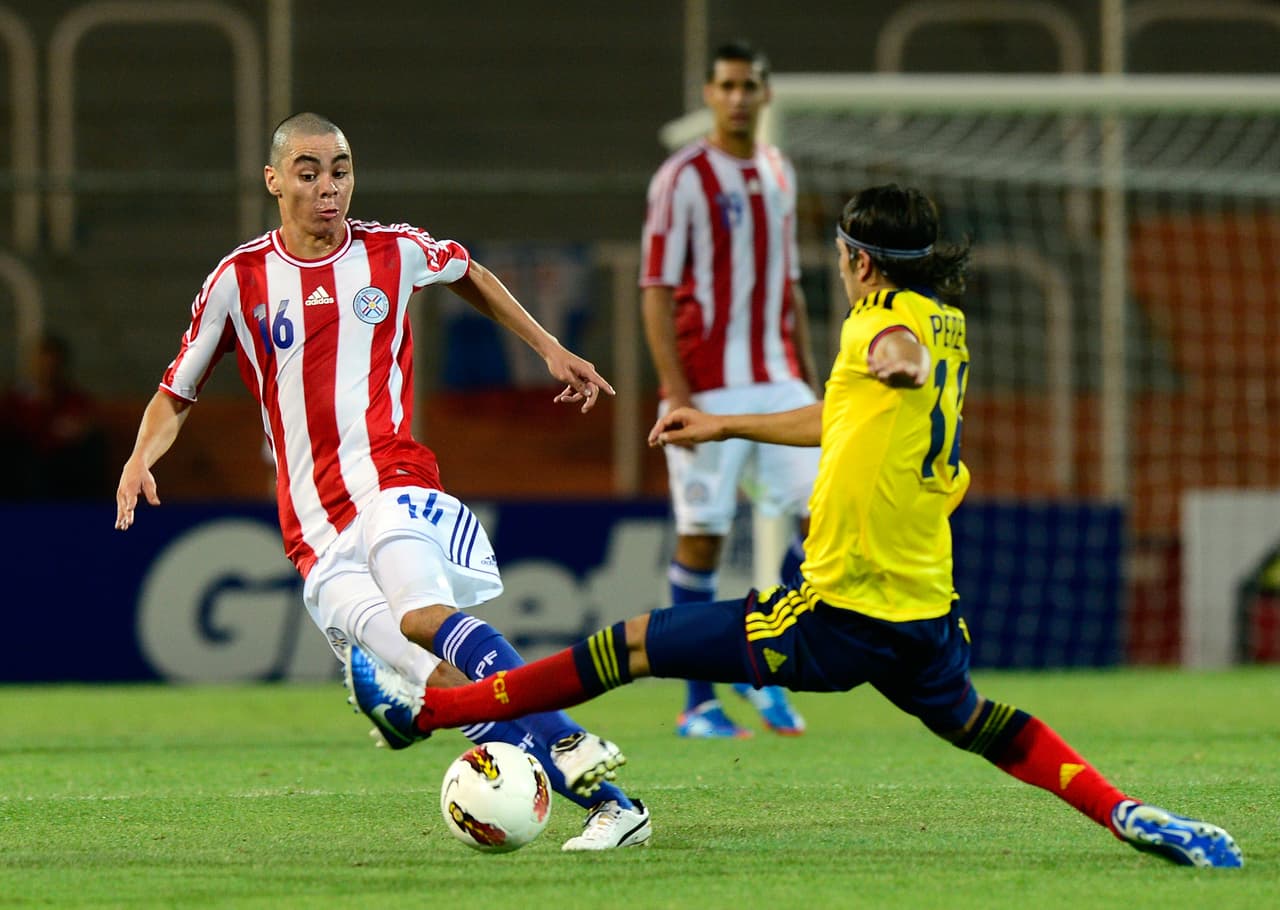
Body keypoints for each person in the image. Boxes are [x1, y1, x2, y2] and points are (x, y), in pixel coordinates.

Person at [348, 184, 1244, 868]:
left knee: (628, 646)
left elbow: (895, 362)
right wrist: (727, 422)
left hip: (837, 613)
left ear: (859, 260)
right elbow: (840, 416)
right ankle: (1129, 814)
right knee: (981, 722)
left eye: (846, 252)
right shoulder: (948, 322)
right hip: (923, 613)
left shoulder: (887, 328)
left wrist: (894, 359)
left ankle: (428, 711)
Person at [114, 112, 651, 851]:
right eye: (308, 172)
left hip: (394, 483)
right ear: (274, 181)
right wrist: (142, 456)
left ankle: (561, 738)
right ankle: (616, 807)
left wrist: (548, 346)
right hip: (316, 535)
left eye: (340, 170)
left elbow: (473, 275)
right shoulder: (238, 280)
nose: (327, 187)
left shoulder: (392, 251)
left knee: (420, 615)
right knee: (441, 687)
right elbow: (176, 392)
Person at [640, 40, 817, 738]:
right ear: (709, 95)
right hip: (706, 388)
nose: (739, 97)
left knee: (828, 516)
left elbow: (791, 285)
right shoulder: (680, 178)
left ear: (765, 94)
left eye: (750, 85)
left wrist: (811, 372)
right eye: (727, 86)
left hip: (778, 381)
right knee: (703, 542)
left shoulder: (779, 170)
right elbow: (654, 291)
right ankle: (698, 704)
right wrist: (679, 393)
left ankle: (761, 664)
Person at [0, 333, 110, 500]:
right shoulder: (15, 399)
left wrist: (78, 430)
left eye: (52, 365)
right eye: (41, 364)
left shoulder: (73, 398)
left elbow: (84, 424)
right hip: (26, 463)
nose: (46, 370)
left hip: (62, 462)